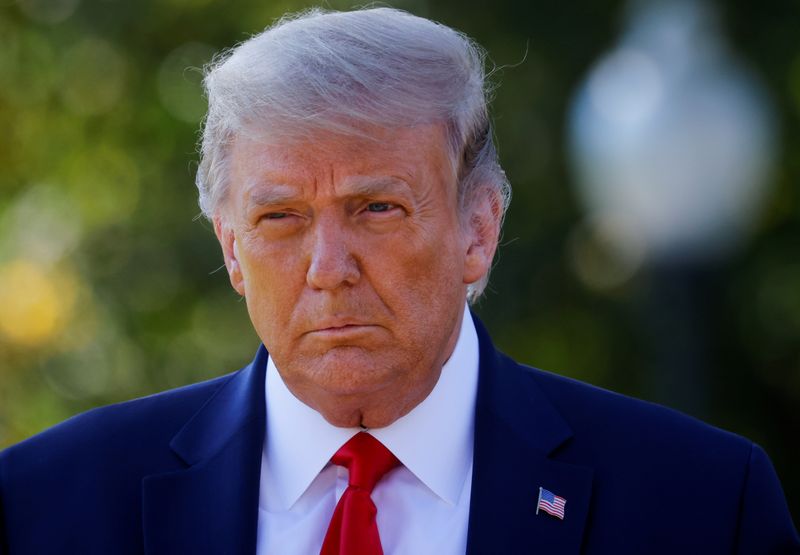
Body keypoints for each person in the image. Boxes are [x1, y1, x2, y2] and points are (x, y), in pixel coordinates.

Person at [0, 7, 797, 555]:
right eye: (281, 218)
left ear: (476, 231)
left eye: (376, 207)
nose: (328, 268)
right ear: (232, 249)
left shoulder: (698, 506)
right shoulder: (45, 506)